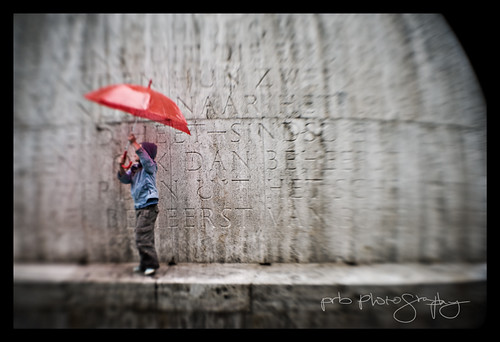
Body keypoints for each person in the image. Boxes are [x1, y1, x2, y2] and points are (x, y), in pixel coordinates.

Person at [117, 133, 160, 276]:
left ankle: (152, 265)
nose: (136, 152)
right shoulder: (135, 169)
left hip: (148, 206)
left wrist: (134, 143)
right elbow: (124, 179)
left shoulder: (150, 167)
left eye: (140, 150)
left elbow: (145, 158)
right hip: (140, 207)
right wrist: (120, 165)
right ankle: (144, 264)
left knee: (142, 237)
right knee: (143, 237)